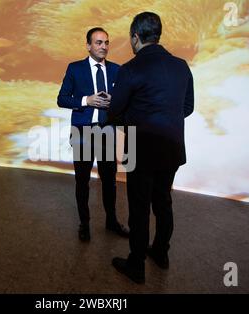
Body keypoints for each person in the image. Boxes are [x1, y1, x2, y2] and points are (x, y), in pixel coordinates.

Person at [108, 12, 194, 284]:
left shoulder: (130, 69)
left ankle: (136, 265)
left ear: (135, 36)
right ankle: (161, 253)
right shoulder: (181, 66)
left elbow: (115, 112)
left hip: (139, 148)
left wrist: (133, 118)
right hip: (171, 148)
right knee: (163, 202)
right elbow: (188, 107)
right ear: (158, 35)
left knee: (139, 207)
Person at [57, 27, 129, 242]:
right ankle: (84, 223)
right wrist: (85, 101)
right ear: (88, 45)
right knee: (82, 181)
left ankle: (111, 221)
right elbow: (62, 99)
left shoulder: (117, 70)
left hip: (107, 131)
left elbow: (125, 100)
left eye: (106, 42)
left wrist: (113, 102)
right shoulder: (75, 69)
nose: (103, 46)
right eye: (98, 42)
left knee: (109, 181)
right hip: (83, 132)